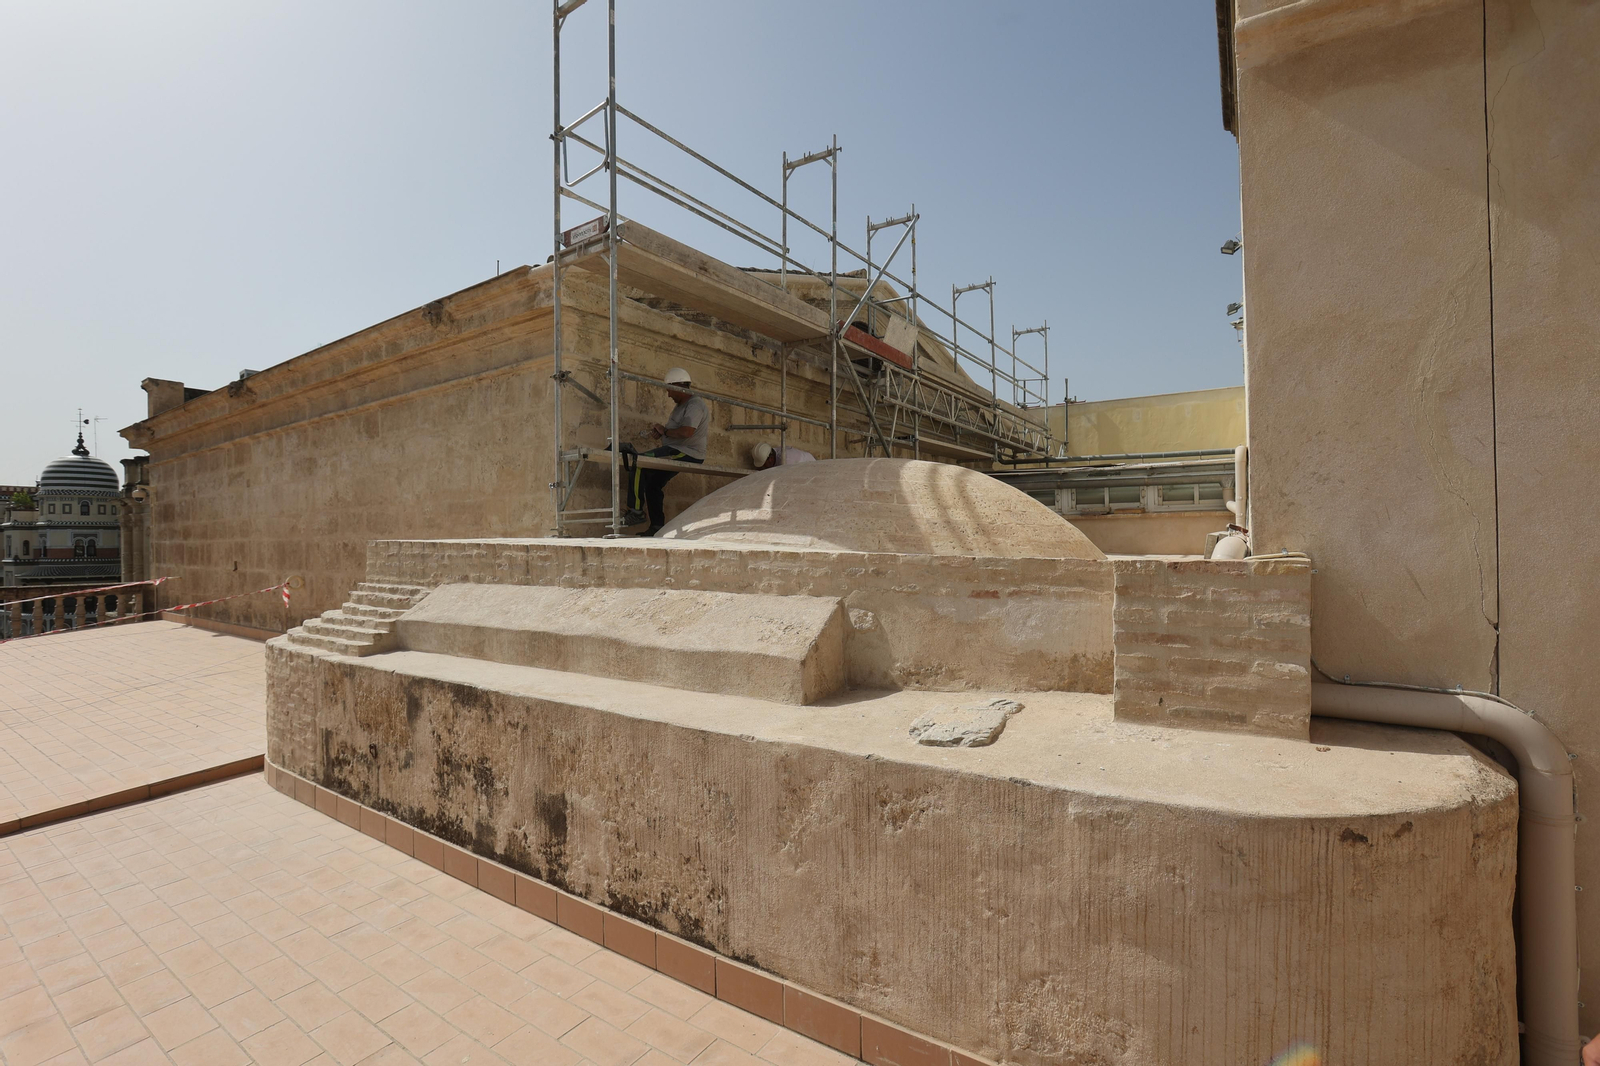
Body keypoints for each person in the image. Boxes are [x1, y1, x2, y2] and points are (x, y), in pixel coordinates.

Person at [624, 367, 708, 536]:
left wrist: (666, 431)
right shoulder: (680, 406)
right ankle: (656, 527)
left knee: (639, 462)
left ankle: (636, 511)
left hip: (688, 452)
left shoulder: (695, 405)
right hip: (676, 449)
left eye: (669, 389)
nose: (668, 394)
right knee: (652, 484)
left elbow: (687, 432)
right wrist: (663, 432)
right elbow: (676, 431)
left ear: (678, 386)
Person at [751, 442, 816, 469]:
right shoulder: (774, 452)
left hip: (811, 468)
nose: (763, 467)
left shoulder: (786, 460)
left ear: (771, 459)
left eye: (764, 465)